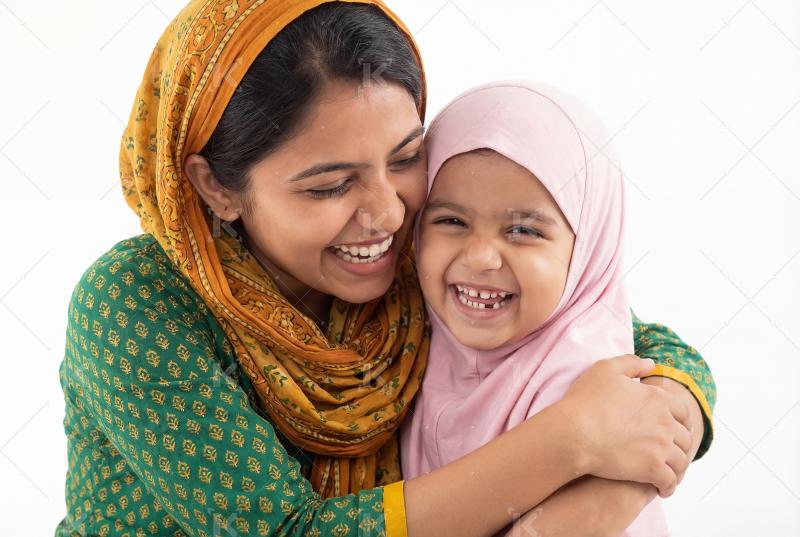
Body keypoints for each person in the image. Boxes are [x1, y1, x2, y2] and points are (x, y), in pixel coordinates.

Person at [57, 2, 715, 536]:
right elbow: (289, 531)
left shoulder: (414, 259)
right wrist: (571, 440)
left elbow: (604, 323)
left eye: (405, 157)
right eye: (328, 185)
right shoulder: (137, 302)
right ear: (216, 186)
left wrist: (648, 441)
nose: (386, 212)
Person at [401, 80, 702, 536]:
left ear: (589, 249)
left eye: (523, 230)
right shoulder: (413, 330)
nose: (480, 257)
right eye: (450, 221)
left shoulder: (595, 391)